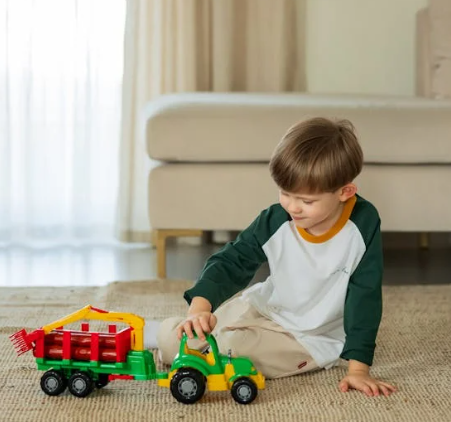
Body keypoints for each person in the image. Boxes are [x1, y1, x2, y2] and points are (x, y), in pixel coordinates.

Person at [150, 117, 397, 397]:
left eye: (306, 201)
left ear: (345, 192)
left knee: (231, 351)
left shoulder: (362, 225)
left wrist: (358, 369)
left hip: (309, 336)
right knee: (172, 342)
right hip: (264, 308)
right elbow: (232, 261)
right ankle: (178, 332)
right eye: (284, 193)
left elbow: (365, 295)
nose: (293, 207)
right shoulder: (277, 218)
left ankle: (222, 340)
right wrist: (199, 309)